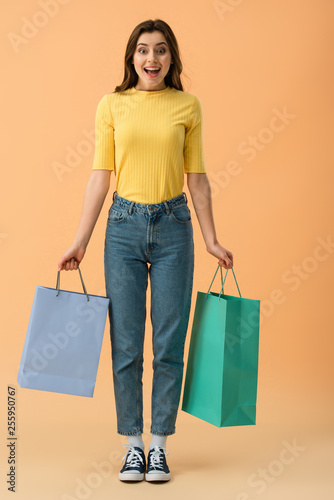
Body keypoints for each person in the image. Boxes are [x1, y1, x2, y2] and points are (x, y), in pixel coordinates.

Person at [58, 18, 233, 483]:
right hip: (123, 227)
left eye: (160, 50)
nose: (151, 59)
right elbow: (100, 176)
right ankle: (131, 445)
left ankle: (159, 446)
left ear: (171, 57)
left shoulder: (188, 106)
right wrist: (80, 240)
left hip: (175, 226)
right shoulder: (112, 105)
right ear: (131, 57)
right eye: (142, 50)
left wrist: (212, 238)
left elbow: (196, 177)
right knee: (126, 343)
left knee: (169, 342)